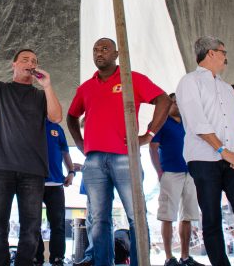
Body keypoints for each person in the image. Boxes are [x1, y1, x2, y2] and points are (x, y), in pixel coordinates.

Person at [67, 37, 171, 266]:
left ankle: (140, 263)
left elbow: (164, 100)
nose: (99, 53)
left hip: (126, 157)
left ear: (116, 54)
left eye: (105, 49)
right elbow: (71, 116)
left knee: (136, 217)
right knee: (98, 220)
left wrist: (149, 135)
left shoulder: (131, 78)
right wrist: (80, 143)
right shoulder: (86, 87)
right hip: (93, 160)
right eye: (95, 49)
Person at [175, 36, 234, 266]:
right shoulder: (189, 82)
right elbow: (197, 122)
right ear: (210, 53)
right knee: (211, 218)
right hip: (203, 160)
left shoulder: (228, 88)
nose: (225, 57)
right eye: (223, 52)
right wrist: (224, 151)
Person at [0, 34, 62, 266]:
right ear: (14, 64)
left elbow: (56, 117)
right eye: (25, 59)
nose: (30, 63)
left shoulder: (41, 95)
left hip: (33, 171)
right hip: (1, 167)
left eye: (33, 61)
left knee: (31, 229)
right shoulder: (0, 89)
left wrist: (48, 85)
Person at [149, 93, 203, 266]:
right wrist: (159, 172)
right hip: (170, 172)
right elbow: (153, 147)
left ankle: (185, 257)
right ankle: (168, 257)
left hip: (190, 172)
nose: (178, 105)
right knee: (167, 216)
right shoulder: (162, 123)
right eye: (174, 102)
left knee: (187, 215)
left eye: (180, 102)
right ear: (169, 104)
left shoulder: (188, 123)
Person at [33, 120, 75, 266]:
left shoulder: (56, 128)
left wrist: (71, 171)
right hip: (33, 183)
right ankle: (36, 258)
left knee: (58, 224)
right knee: (33, 224)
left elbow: (64, 151)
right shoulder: (28, 123)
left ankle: (57, 258)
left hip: (56, 184)